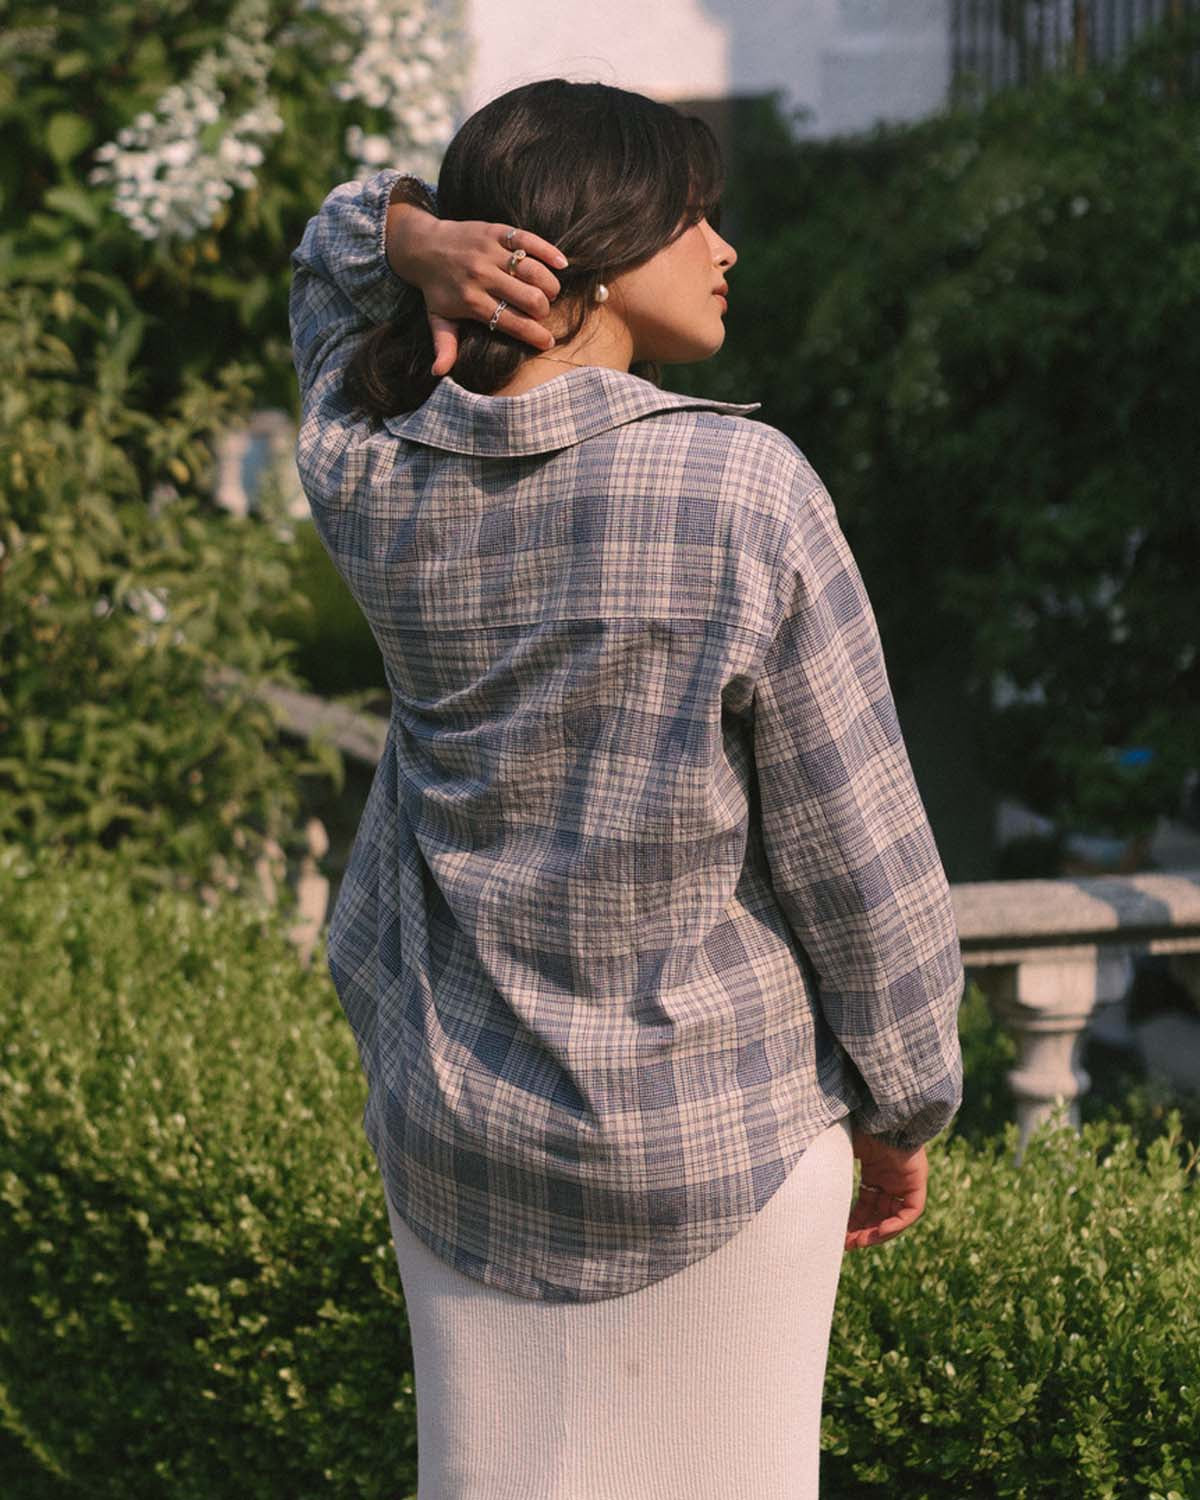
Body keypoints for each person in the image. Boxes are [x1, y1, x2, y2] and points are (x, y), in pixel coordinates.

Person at [289, 76, 964, 1500]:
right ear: (583, 251)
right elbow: (861, 856)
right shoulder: (748, 488)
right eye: (691, 216)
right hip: (725, 1141)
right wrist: (907, 1110)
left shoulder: (367, 468)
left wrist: (413, 239)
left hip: (459, 1132)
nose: (726, 249)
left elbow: (326, 257)